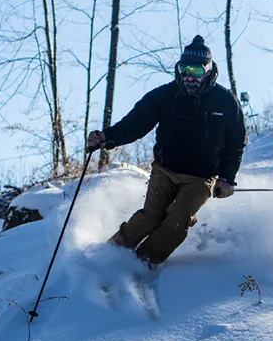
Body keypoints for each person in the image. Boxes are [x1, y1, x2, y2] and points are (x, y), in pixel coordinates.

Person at [86, 35, 247, 268]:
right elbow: (135, 124)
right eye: (184, 70)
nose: (189, 77)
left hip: (201, 177)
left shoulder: (226, 102)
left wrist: (227, 178)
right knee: (151, 216)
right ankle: (110, 253)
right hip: (165, 169)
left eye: (195, 71)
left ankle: (144, 263)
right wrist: (106, 138)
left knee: (177, 219)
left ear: (208, 70)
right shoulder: (164, 96)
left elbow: (236, 143)